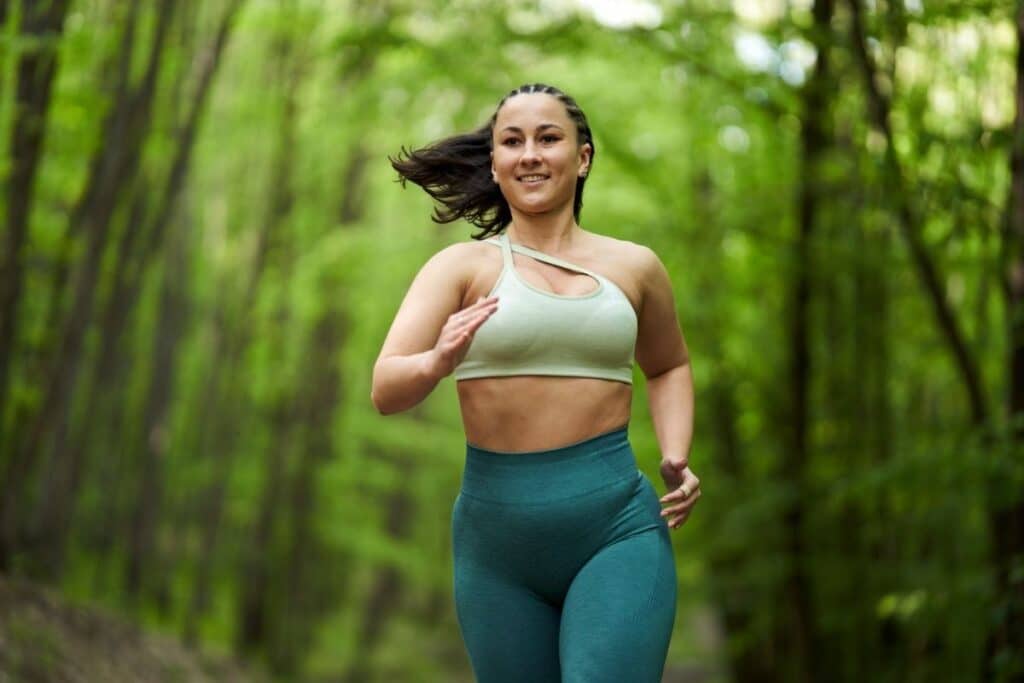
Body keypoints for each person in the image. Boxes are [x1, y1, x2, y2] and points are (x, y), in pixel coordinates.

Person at [371, 83, 700, 683]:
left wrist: (676, 454)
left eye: (549, 138)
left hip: (616, 529)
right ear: (494, 164)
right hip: (497, 551)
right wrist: (436, 361)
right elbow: (386, 388)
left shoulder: (635, 267)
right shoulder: (460, 268)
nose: (530, 154)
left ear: (583, 158)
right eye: (512, 141)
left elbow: (669, 364)